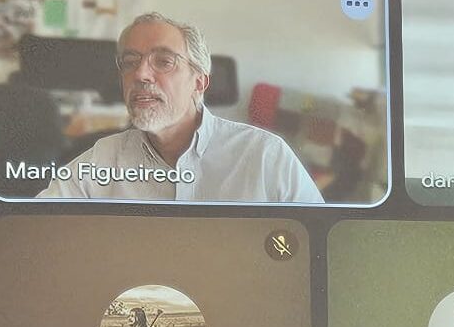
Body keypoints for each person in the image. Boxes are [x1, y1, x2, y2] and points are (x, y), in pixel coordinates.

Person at [38, 13, 321, 203]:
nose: (140, 74)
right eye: (130, 62)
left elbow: (318, 244)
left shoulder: (265, 155)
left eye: (164, 61)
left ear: (199, 82)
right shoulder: (102, 158)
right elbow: (38, 225)